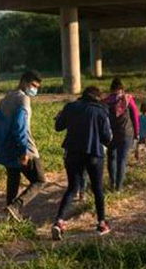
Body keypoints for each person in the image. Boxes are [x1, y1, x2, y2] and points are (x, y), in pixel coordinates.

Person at [52, 86, 113, 239]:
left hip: (72, 153)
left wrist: (61, 116)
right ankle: (101, 223)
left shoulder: (70, 107)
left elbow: (58, 127)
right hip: (94, 154)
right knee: (97, 189)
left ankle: (59, 222)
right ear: (97, 97)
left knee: (72, 188)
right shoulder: (101, 110)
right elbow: (107, 137)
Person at [0, 70, 45, 221]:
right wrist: (23, 151)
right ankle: (16, 206)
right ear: (24, 82)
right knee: (39, 180)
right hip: (24, 149)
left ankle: (9, 217)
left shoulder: (6, 98)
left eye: (36, 87)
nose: (34, 89)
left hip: (6, 150)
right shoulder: (23, 99)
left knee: (13, 180)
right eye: (33, 85)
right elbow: (19, 127)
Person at [102, 78, 139, 191]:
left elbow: (102, 119)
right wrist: (137, 133)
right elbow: (135, 117)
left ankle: (111, 183)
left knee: (111, 157)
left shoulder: (106, 101)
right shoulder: (128, 99)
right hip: (126, 133)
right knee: (122, 160)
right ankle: (118, 188)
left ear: (111, 89)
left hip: (111, 134)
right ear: (122, 88)